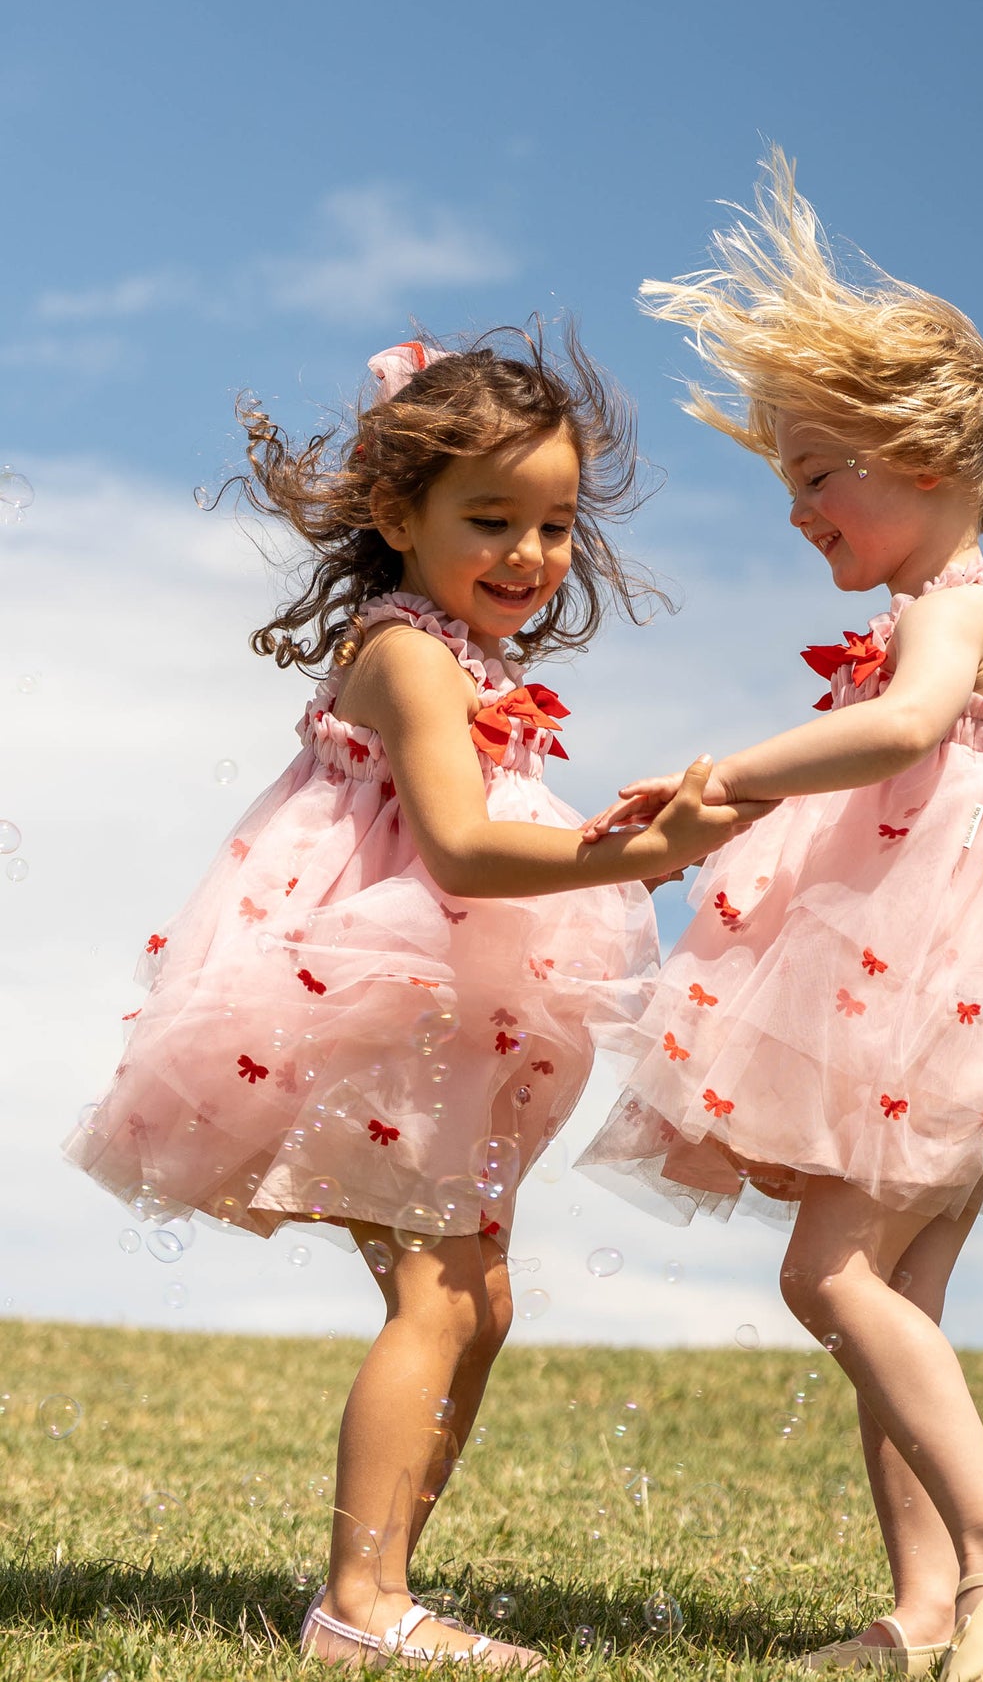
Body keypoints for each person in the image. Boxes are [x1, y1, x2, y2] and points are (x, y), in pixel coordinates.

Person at [65, 328, 768, 1671]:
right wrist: (650, 852)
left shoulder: (459, 654)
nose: (530, 553)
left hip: (453, 998)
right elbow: (453, 847)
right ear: (400, 515)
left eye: (555, 524)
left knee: (474, 1300)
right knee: (443, 1295)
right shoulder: (406, 653)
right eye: (490, 519)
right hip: (383, 987)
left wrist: (627, 832)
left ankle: (384, 1581)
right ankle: (361, 1606)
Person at [577, 154, 983, 1682]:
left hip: (934, 1007)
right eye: (789, 479)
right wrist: (705, 814)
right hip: (927, 1004)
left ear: (924, 457)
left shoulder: (958, 612)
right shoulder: (917, 620)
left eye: (819, 472)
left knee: (828, 1281)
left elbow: (895, 736)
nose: (797, 507)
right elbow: (871, 762)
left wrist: (730, 768)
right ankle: (925, 1615)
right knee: (894, 1313)